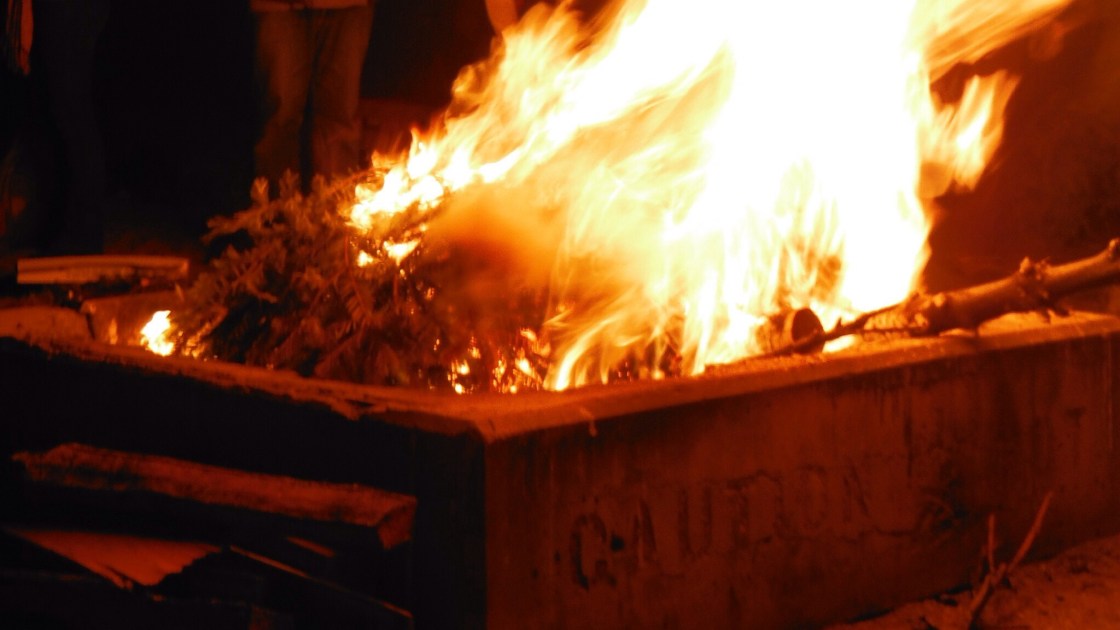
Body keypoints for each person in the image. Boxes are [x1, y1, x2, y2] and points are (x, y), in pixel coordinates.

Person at [251, 0, 374, 194]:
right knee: (281, 118)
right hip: (277, 6)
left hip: (348, 6)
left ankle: (335, 206)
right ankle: (278, 207)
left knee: (340, 117)